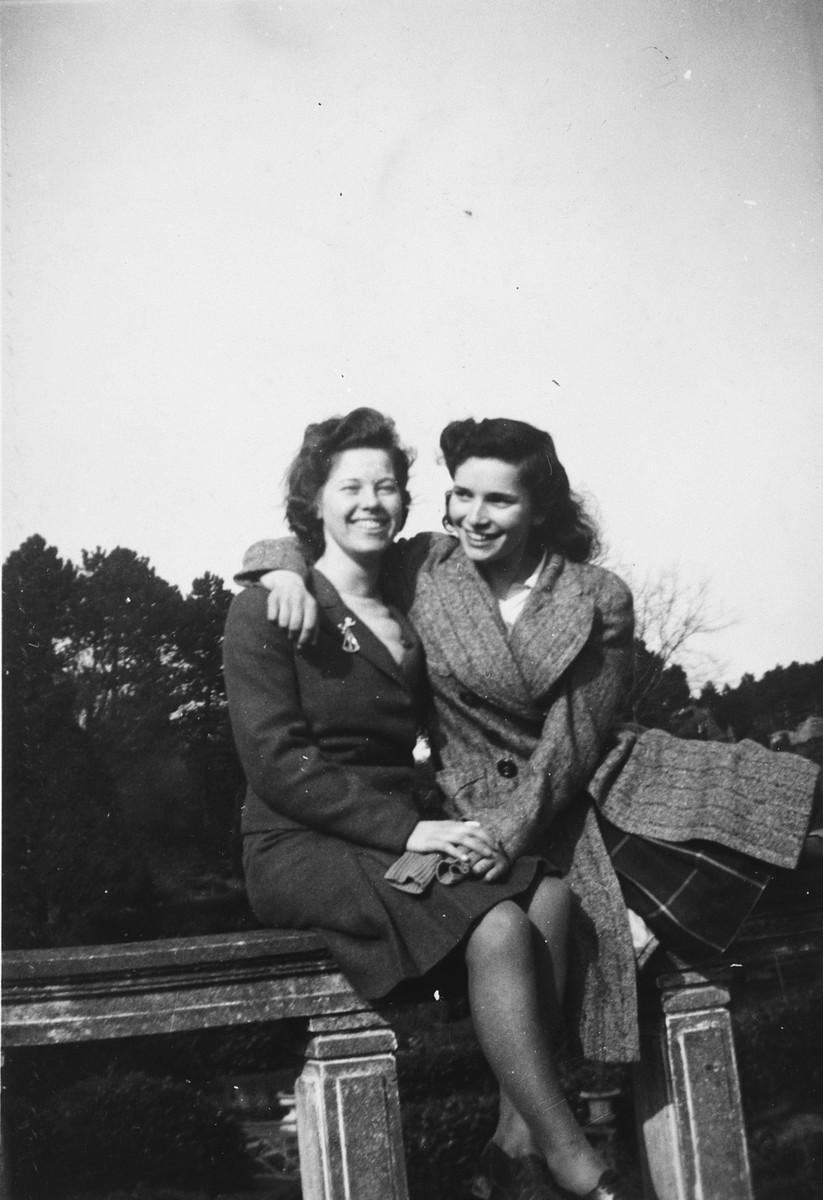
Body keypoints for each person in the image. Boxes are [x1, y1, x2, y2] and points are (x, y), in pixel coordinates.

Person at [238, 414, 822, 1079]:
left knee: (783, 833)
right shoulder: (422, 565)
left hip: (600, 784)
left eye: (499, 499)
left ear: (539, 509)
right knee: (581, 955)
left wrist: (505, 832)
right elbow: (329, 540)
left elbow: (575, 737)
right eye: (461, 495)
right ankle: (531, 1149)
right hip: (486, 801)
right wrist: (277, 570)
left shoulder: (596, 595)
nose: (474, 517)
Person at [223, 409, 630, 1200]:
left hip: (393, 834)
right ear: (314, 502)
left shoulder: (408, 602)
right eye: (350, 487)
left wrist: (420, 830)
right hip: (299, 843)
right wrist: (275, 567)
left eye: (387, 486)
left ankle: (513, 1149)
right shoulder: (270, 605)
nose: (371, 501)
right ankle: (571, 1157)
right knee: (502, 921)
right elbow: (277, 765)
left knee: (548, 894)